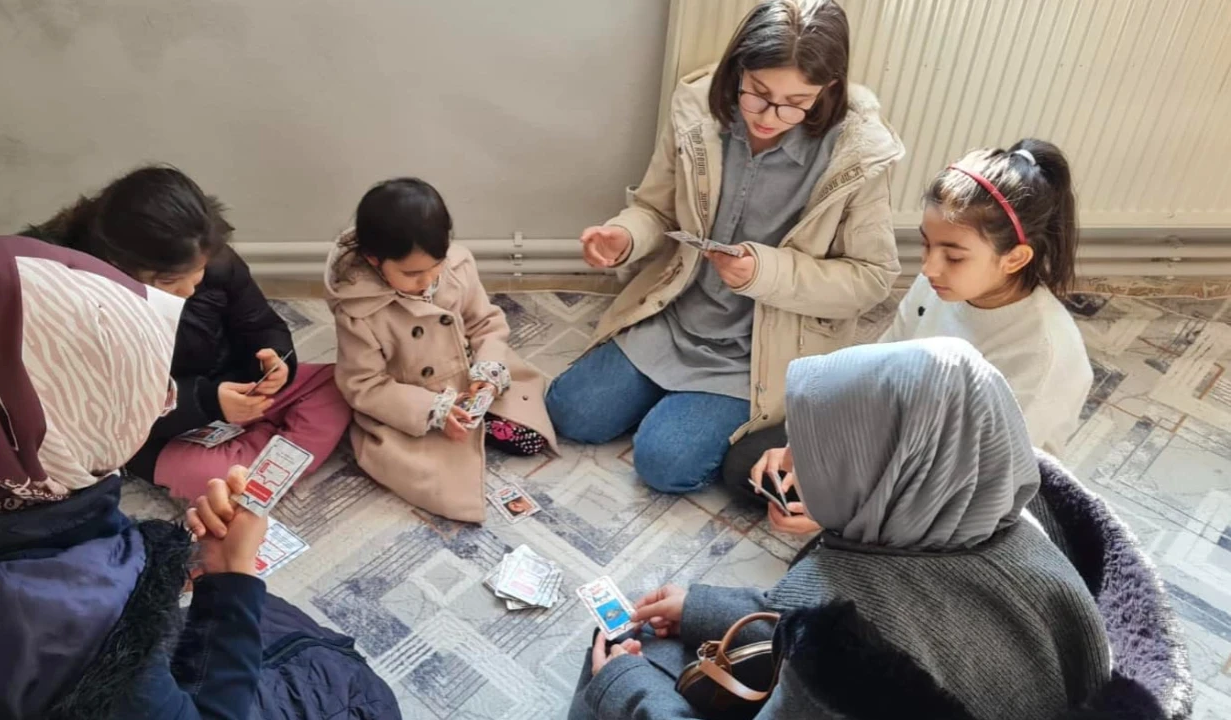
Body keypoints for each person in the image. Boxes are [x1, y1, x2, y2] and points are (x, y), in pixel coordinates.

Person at [0, 236, 400, 720]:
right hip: (99, 656)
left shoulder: (6, 503)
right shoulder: (74, 621)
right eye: (135, 393)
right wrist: (230, 577)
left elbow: (264, 328)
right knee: (354, 690)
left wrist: (273, 364)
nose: (160, 401)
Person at [566, 338, 1112, 719]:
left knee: (616, 663)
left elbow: (839, 627)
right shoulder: (1024, 528)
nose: (785, 460)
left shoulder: (847, 645)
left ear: (886, 473)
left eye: (814, 449)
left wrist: (628, 691)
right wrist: (702, 608)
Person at [545, 0, 903, 493]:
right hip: (676, 315)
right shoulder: (697, 110)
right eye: (758, 93)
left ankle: (708, 414)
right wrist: (624, 236)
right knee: (571, 413)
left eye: (796, 101)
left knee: (665, 464)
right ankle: (674, 402)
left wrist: (765, 273)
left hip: (760, 351)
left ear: (829, 90)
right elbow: (655, 210)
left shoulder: (859, 155)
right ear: (738, 71)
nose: (770, 116)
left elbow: (871, 279)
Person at [725, 138, 1092, 499]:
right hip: (904, 436)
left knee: (824, 508)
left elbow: (983, 481)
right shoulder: (939, 285)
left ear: (1015, 258)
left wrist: (841, 503)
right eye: (926, 244)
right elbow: (877, 371)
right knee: (749, 464)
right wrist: (809, 441)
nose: (929, 267)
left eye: (954, 257)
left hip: (963, 487)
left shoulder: (1043, 355)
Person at [21, 165, 352, 501]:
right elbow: (103, 416)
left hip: (236, 383)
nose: (189, 288)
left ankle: (247, 456)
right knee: (212, 479)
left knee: (339, 387)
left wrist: (276, 361)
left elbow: (260, 323)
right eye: (169, 281)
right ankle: (249, 461)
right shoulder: (82, 305)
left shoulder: (212, 258)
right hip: (159, 429)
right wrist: (206, 402)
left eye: (199, 271)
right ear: (118, 265)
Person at [326, 178, 557, 523]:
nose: (428, 279)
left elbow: (486, 324)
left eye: (436, 264)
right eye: (412, 273)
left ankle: (484, 418)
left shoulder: (457, 267)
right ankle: (455, 430)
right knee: (429, 469)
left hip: (467, 372)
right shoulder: (358, 311)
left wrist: (487, 371)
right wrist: (432, 410)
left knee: (530, 437)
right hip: (412, 396)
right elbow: (363, 384)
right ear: (374, 260)